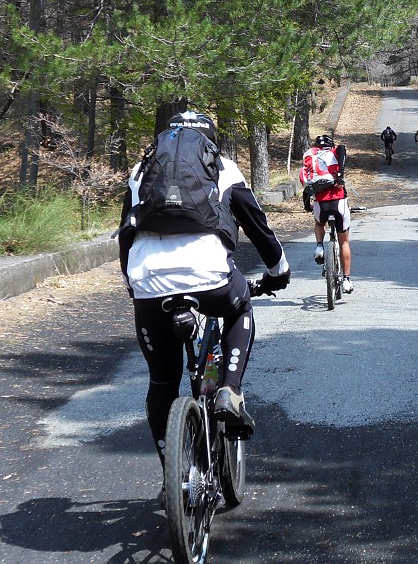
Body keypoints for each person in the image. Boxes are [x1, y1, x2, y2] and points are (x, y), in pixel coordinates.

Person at [118, 110, 290, 481]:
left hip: (148, 282)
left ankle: (173, 475)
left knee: (162, 382)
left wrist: (135, 288)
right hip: (210, 276)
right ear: (209, 140)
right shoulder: (223, 167)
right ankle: (229, 389)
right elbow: (257, 226)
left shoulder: (141, 169)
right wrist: (279, 271)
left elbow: (126, 235)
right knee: (240, 308)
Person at [300, 134, 353, 294]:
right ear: (331, 145)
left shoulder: (310, 156)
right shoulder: (335, 152)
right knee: (344, 242)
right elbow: (342, 149)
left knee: (318, 223)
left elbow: (306, 184)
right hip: (339, 202)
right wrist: (341, 173)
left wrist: (307, 205)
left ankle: (319, 246)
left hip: (320, 204)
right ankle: (346, 280)